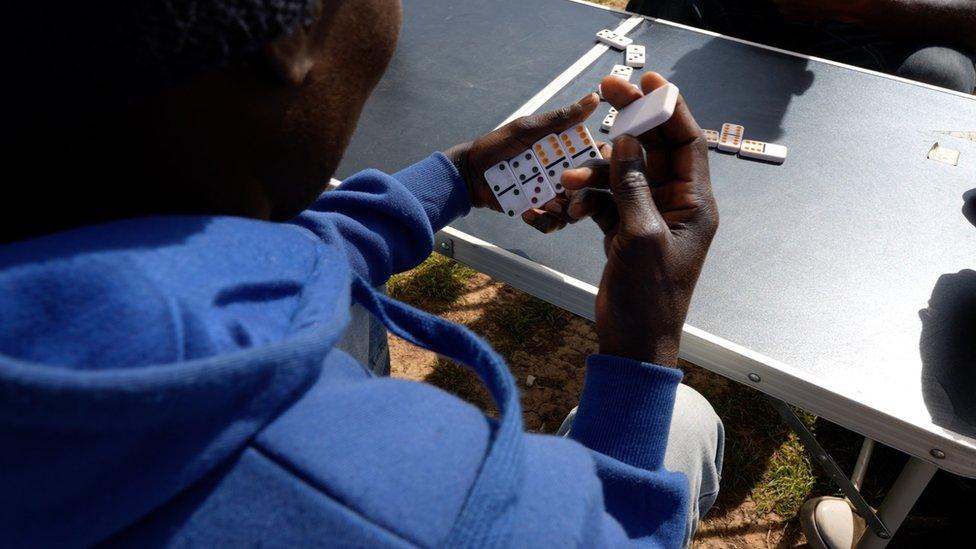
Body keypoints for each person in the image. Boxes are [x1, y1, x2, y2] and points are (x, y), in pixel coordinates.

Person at [0, 0, 723, 547]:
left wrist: (459, 178)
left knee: (346, 312)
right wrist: (643, 347)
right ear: (288, 40)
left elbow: (225, 265)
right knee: (684, 421)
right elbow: (613, 532)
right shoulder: (414, 513)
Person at [627, 0, 976, 93]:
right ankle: (627, 111)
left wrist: (875, 8)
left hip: (895, 28)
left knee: (938, 72)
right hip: (763, 14)